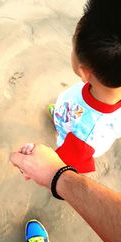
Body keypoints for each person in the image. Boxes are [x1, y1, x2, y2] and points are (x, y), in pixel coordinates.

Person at [49, 0, 121, 173]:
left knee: (65, 140)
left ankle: (60, 123)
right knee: (66, 114)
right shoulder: (105, 82)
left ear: (83, 71)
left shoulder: (86, 133)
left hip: (74, 137)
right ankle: (59, 115)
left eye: (73, 48)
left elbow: (68, 166)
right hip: (79, 119)